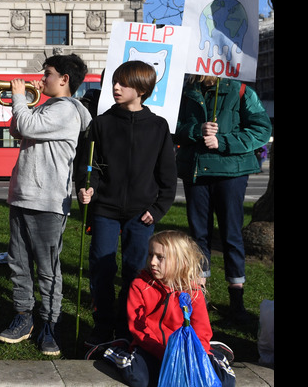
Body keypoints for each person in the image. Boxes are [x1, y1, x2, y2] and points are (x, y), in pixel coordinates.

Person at [75, 60, 177, 349]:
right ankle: (103, 324)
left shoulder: (158, 127)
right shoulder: (101, 123)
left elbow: (168, 177)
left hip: (141, 214)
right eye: (114, 82)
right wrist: (88, 188)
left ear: (142, 89)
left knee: (136, 270)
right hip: (105, 210)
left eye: (124, 83)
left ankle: (130, 325)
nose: (115, 88)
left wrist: (157, 210)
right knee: (102, 268)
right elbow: (88, 165)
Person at [0, 54, 92, 357]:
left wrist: (17, 97)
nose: (41, 80)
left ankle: (49, 323)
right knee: (18, 262)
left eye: (48, 74)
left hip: (49, 199)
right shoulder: (47, 107)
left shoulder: (67, 110)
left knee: (48, 269)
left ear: (65, 79)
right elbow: (17, 128)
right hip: (23, 194)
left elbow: (25, 124)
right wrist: (23, 103)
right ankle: (24, 316)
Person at [173, 75, 272, 324]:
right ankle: (200, 298)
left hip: (232, 172)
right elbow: (173, 126)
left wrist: (224, 141)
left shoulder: (239, 91)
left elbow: (261, 128)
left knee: (231, 235)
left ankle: (236, 302)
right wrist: (196, 130)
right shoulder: (185, 91)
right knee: (198, 236)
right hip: (196, 171)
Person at [103, 230, 236, 387]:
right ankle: (115, 350)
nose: (152, 262)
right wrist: (165, 354)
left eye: (160, 257)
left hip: (186, 352)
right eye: (150, 255)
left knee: (225, 382)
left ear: (181, 261)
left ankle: (216, 355)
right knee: (139, 379)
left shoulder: (193, 291)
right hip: (152, 348)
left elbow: (201, 328)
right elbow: (138, 329)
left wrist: (196, 353)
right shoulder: (140, 285)